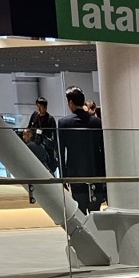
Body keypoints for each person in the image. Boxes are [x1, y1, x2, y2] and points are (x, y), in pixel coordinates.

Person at [57, 86, 104, 214]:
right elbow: (103, 149)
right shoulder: (96, 122)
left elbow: (61, 151)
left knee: (80, 211)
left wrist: (63, 175)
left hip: (75, 173)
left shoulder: (63, 123)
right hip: (96, 172)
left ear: (71, 102)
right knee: (96, 212)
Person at [23, 97, 58, 172]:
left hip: (45, 146)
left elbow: (53, 135)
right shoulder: (34, 115)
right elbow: (29, 127)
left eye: (41, 106)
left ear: (45, 107)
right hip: (34, 144)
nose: (39, 108)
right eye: (38, 106)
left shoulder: (50, 119)